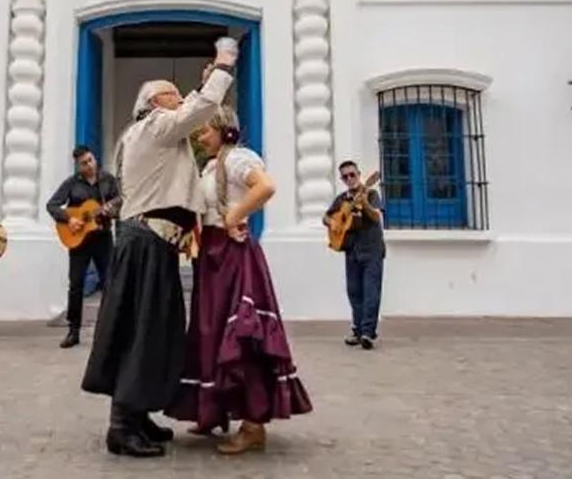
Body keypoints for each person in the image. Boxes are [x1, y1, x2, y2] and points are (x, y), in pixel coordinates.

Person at [81, 39, 238, 459]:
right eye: (173, 93)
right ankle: (122, 425)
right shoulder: (155, 126)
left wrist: (202, 86)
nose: (180, 98)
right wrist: (223, 66)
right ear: (154, 102)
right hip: (147, 244)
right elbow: (199, 109)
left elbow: (192, 108)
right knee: (144, 331)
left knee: (153, 330)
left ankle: (138, 413)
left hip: (148, 242)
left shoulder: (151, 135)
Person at [165, 107, 312, 454]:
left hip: (233, 256)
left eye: (206, 131)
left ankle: (253, 425)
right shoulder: (213, 165)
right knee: (210, 331)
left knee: (241, 334)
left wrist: (234, 216)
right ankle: (212, 410)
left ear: (223, 130)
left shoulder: (237, 159)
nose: (200, 137)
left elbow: (265, 186)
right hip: (212, 256)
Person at [45, 145, 121, 349]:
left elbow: (119, 206)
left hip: (102, 238)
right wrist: (69, 219)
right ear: (78, 166)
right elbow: (52, 205)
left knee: (109, 283)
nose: (89, 165)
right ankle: (73, 330)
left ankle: (109, 331)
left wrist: (110, 212)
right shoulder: (71, 183)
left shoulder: (108, 180)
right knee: (76, 284)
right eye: (84, 163)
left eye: (90, 160)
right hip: (78, 240)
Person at [323, 160, 384, 350]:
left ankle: (368, 333)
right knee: (354, 291)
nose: (350, 178)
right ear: (342, 179)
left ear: (359, 174)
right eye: (345, 176)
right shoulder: (341, 199)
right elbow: (326, 217)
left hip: (372, 249)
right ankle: (357, 330)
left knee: (371, 291)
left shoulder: (371, 194)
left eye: (352, 174)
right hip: (351, 250)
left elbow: (376, 216)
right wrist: (333, 223)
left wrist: (364, 203)